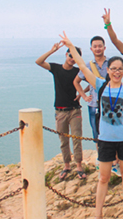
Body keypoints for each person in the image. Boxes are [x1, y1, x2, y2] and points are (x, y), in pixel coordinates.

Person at [60, 32, 123, 219]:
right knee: (103, 178)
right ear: (108, 70)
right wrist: (70, 46)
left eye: (120, 69)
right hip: (105, 139)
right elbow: (83, 67)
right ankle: (98, 215)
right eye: (113, 69)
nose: (117, 72)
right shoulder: (100, 85)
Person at [35, 41, 86, 180]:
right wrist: (52, 51)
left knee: (77, 139)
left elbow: (93, 81)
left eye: (75, 57)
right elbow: (38, 62)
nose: (72, 59)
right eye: (71, 55)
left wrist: (82, 94)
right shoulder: (56, 68)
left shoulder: (78, 72)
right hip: (60, 111)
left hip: (75, 110)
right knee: (63, 140)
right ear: (66, 54)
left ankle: (79, 166)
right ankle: (66, 165)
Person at [73, 36, 109, 169]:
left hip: (110, 103)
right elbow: (76, 81)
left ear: (104, 47)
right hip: (94, 103)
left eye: (100, 46)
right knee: (96, 132)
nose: (98, 48)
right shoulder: (88, 66)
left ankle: (113, 159)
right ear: (91, 49)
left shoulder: (111, 63)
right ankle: (101, 158)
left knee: (111, 130)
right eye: (95, 46)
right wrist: (83, 96)